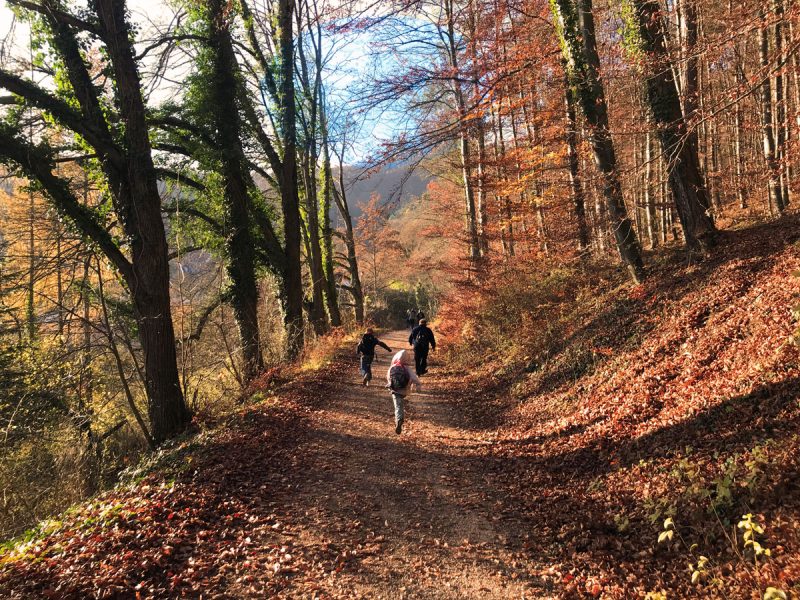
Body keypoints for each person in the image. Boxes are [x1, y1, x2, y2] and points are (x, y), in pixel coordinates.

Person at [386, 349, 421, 434]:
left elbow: (388, 378)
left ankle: (399, 419)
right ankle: (399, 419)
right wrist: (418, 386)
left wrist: (390, 385)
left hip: (395, 390)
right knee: (400, 404)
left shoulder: (392, 367)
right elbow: (415, 379)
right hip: (404, 390)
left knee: (398, 406)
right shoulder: (407, 368)